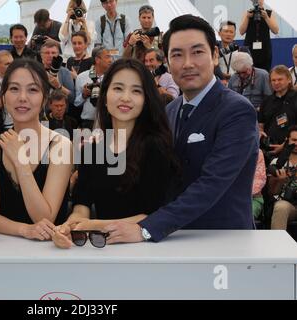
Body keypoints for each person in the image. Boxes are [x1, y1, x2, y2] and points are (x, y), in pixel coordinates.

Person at [83, 15, 259, 243]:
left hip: (223, 242)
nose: (187, 63)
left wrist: (145, 228)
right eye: (177, 54)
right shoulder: (170, 111)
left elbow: (211, 184)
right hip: (171, 241)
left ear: (215, 55)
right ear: (166, 60)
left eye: (197, 52)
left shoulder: (237, 111)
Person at [52, 58, 178, 249]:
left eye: (136, 91)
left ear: (146, 99)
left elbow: (156, 214)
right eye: (118, 88)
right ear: (105, 94)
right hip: (103, 250)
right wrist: (70, 225)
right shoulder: (92, 150)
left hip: (148, 249)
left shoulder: (157, 147)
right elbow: (81, 205)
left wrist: (94, 225)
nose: (125, 97)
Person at [0, 58, 73, 241]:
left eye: (32, 89)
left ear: (44, 97)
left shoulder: (60, 145)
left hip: (50, 253)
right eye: (14, 89)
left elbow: (45, 218)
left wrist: (21, 162)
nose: (22, 97)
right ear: (3, 96)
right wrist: (25, 230)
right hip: (3, 250)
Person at [258, 65, 297, 157]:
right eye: (273, 80)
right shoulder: (266, 101)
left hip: (292, 152)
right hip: (269, 151)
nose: (276, 82)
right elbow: (260, 125)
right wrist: (260, 132)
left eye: (280, 79)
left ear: (289, 80)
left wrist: (285, 146)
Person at [74, 46, 112, 129]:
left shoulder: (113, 77)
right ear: (97, 60)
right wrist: (84, 95)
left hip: (107, 122)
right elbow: (76, 103)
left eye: (110, 57)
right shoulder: (81, 77)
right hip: (87, 123)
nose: (110, 60)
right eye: (107, 57)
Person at [268, 126, 297, 230]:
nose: (296, 144)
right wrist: (280, 181)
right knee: (281, 207)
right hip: (288, 205)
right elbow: (271, 193)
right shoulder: (276, 163)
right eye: (294, 140)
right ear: (287, 140)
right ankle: (277, 245)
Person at [239, 0, 279, 71]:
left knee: (265, 73)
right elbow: (241, 31)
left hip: (264, 49)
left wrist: (266, 17)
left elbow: (275, 30)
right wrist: (247, 17)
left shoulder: (269, 13)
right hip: (250, 49)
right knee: (248, 72)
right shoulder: (248, 13)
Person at [39, 40, 75, 108]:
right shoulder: (36, 71)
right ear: (41, 55)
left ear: (58, 55)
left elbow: (72, 98)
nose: (50, 55)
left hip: (60, 111)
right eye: (47, 53)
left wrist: (59, 86)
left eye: (53, 53)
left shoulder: (64, 72)